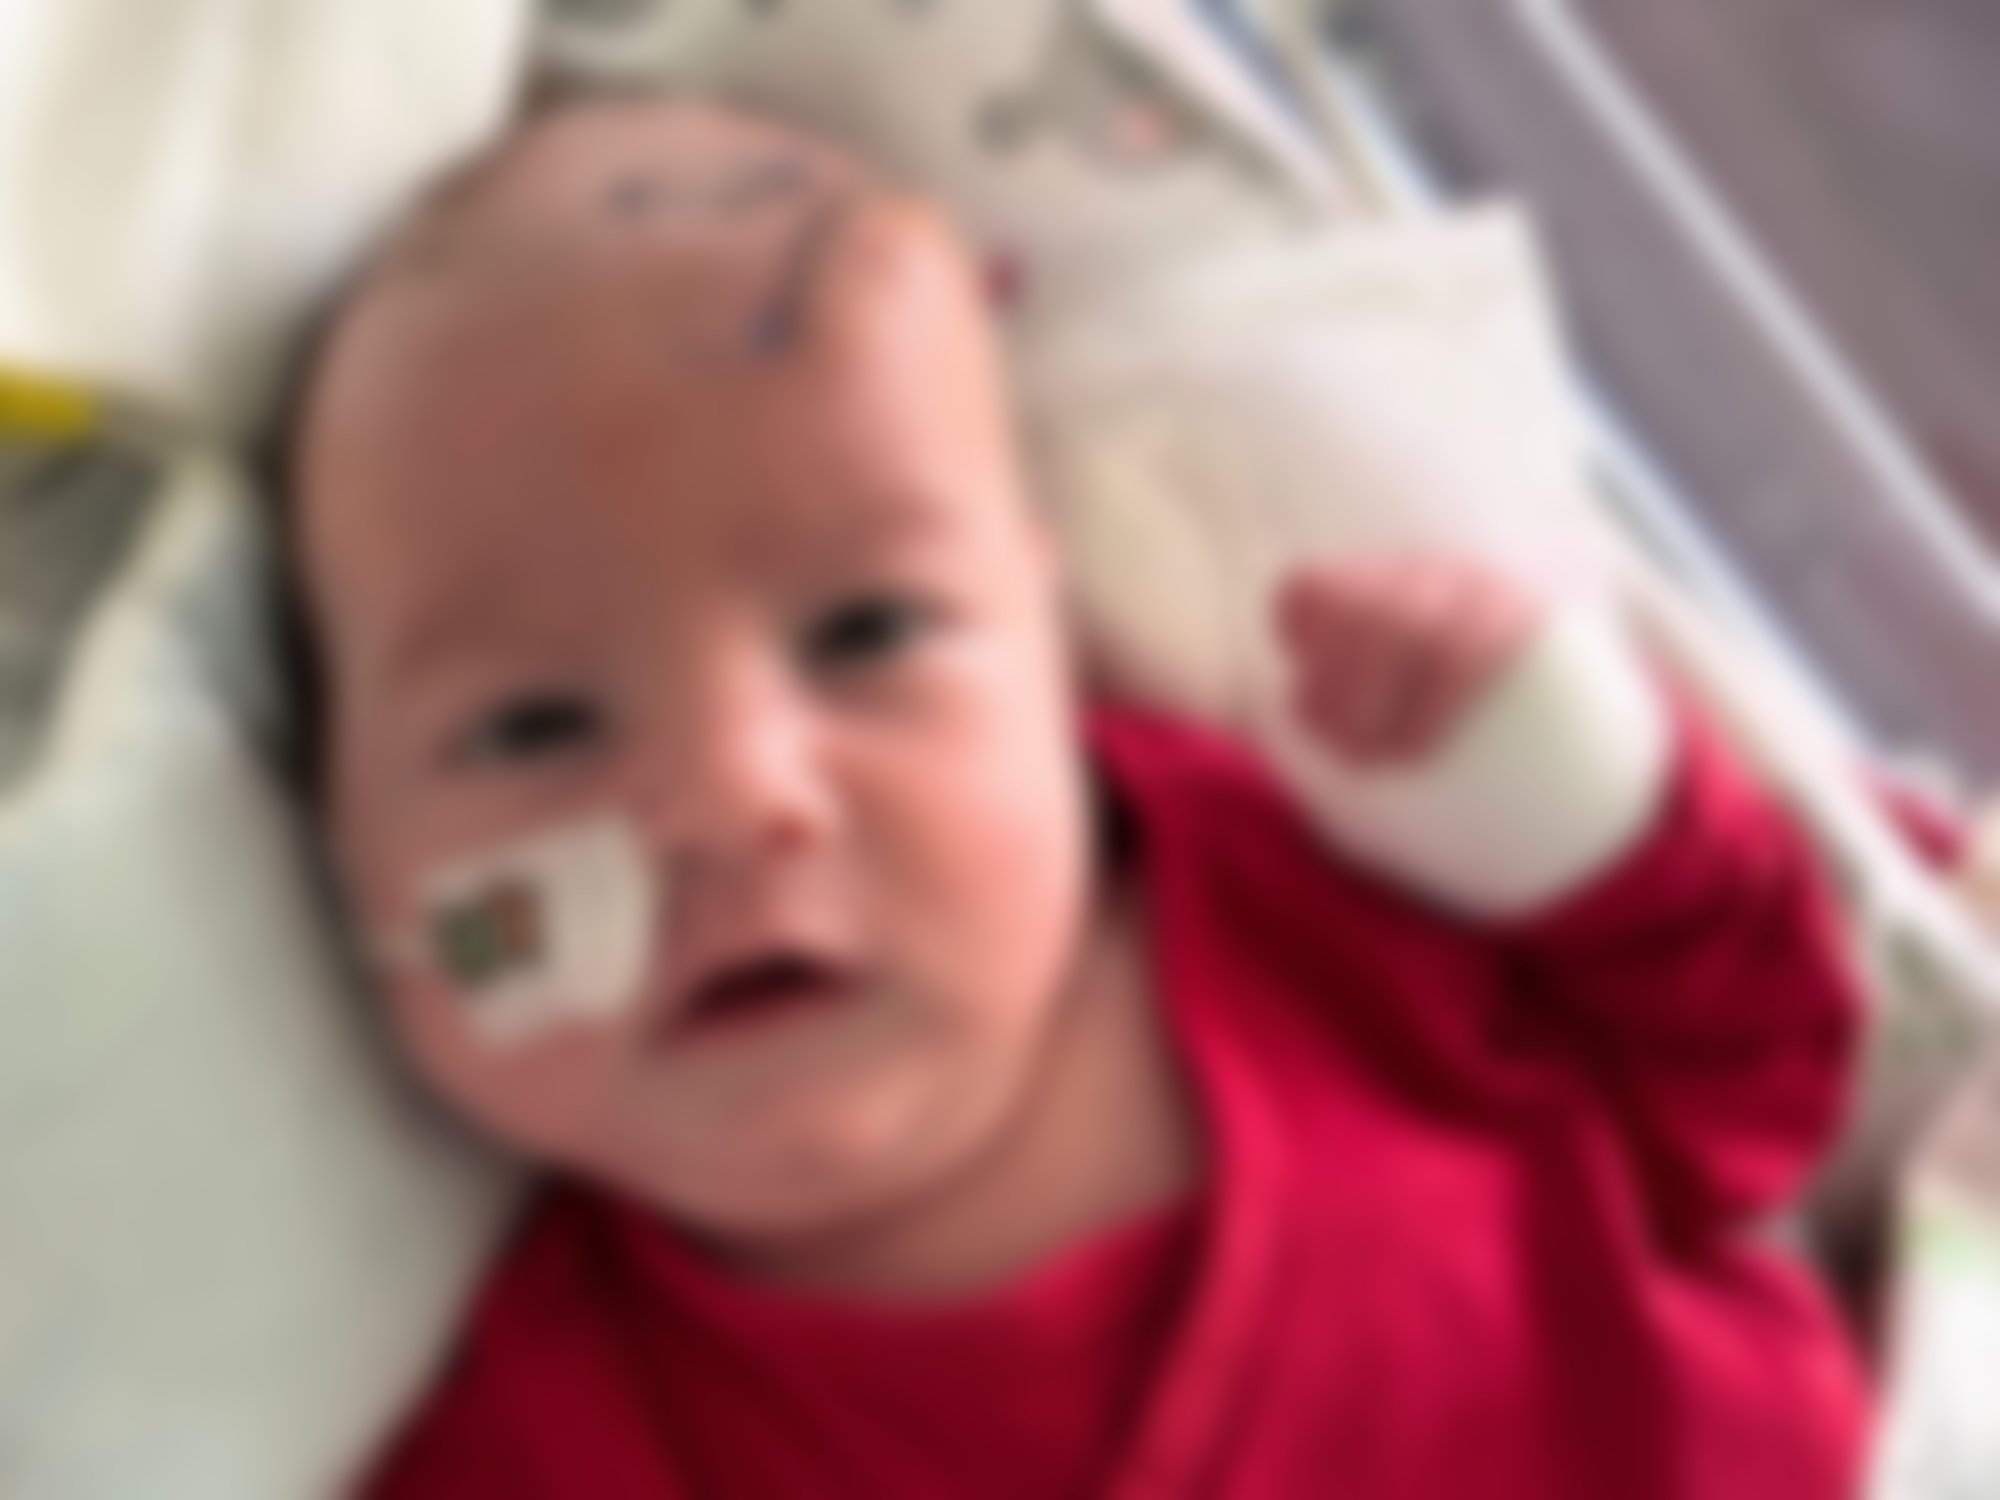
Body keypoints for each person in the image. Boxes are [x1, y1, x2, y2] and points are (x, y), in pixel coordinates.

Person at [284, 96, 1868, 1499]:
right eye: (531, 727)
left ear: (1054, 657)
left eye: (866, 633)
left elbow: (1763, 1091)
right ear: (347, 856)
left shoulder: (1310, 889)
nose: (734, 793)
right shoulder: (534, 1446)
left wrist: (1577, 796)